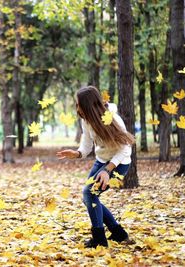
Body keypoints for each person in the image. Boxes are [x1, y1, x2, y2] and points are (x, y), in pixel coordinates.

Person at [56, 86, 135, 248]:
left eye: (79, 104)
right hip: (101, 160)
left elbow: (126, 148)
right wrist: (76, 153)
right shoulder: (86, 120)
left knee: (89, 194)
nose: (77, 108)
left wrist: (108, 170)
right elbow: (86, 146)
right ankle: (118, 234)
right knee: (89, 197)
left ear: (88, 105)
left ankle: (99, 239)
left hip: (119, 163)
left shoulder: (111, 118)